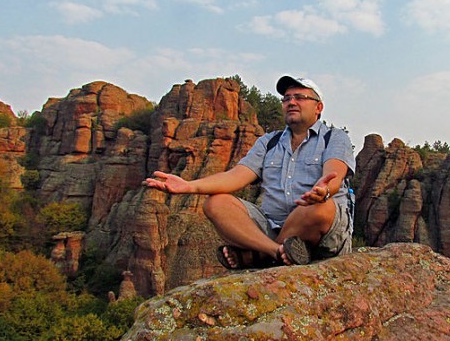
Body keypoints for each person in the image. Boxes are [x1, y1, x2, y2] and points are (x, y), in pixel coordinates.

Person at [143, 75, 356, 268]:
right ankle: (276, 252)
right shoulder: (268, 142)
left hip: (321, 230)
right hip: (272, 226)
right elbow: (236, 176)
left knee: (319, 207)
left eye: (300, 97)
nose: (291, 102)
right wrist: (190, 186)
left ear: (318, 107)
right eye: (286, 98)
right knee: (215, 203)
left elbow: (334, 173)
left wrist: (324, 189)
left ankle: (259, 257)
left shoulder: (335, 137)